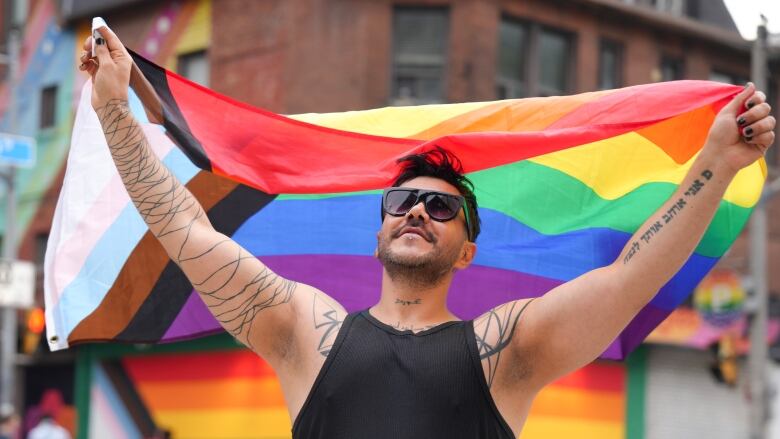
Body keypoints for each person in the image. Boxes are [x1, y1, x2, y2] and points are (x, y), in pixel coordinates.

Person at [79, 24, 775, 438]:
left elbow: (629, 277)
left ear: (467, 250)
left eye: (441, 208)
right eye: (405, 199)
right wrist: (115, 109)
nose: (417, 210)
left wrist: (715, 160)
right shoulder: (302, 328)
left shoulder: (505, 349)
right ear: (378, 227)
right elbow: (185, 230)